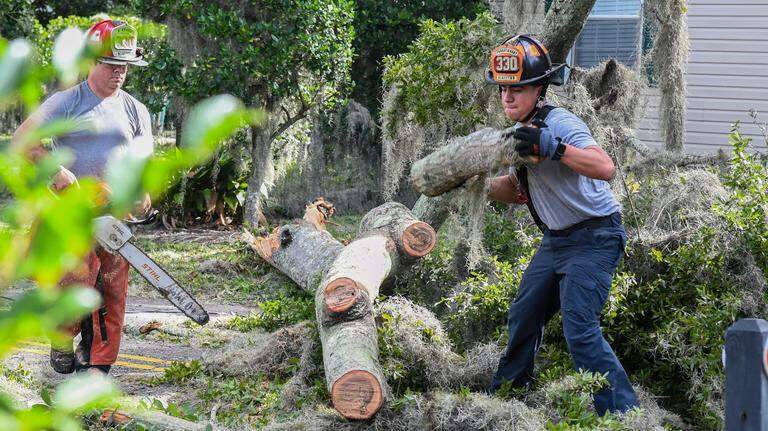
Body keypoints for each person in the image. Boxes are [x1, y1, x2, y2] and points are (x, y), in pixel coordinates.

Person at [484, 34, 638, 414]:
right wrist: (477, 186)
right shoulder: (517, 134)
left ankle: (623, 415)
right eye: (503, 88)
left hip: (596, 235)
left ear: (539, 88)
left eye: (517, 89)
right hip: (556, 241)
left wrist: (557, 148)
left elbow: (605, 167)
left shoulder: (560, 122)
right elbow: (518, 191)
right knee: (524, 315)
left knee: (580, 329)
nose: (507, 97)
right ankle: (506, 400)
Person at [12, 19, 153, 375]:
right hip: (72, 213)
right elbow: (22, 141)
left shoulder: (136, 111)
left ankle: (97, 368)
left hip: (112, 216)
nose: (118, 73)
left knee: (111, 293)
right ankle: (61, 339)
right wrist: (55, 171)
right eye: (111, 64)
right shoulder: (67, 101)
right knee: (73, 285)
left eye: (124, 66)